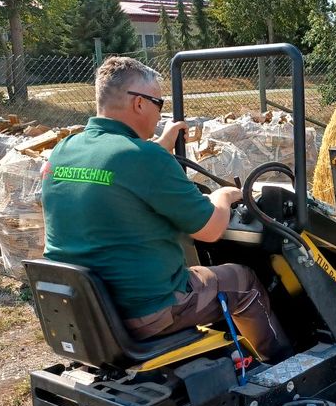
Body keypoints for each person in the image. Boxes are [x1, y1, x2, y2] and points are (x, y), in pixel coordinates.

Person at [41, 56, 288, 361]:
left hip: (85, 309)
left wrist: (160, 144)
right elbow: (210, 229)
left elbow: (117, 169)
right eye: (158, 103)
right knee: (244, 280)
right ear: (139, 104)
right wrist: (224, 196)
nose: (160, 113)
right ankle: (282, 367)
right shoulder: (144, 159)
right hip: (148, 312)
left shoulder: (65, 149)